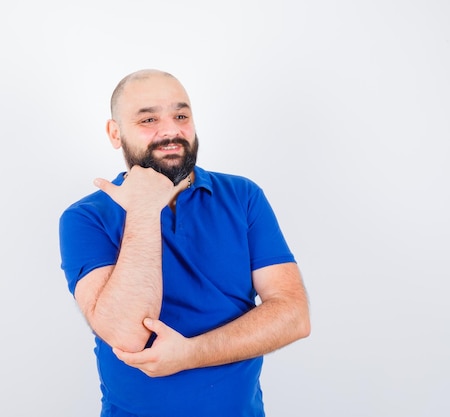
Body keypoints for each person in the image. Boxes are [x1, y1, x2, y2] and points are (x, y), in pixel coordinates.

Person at [59, 69, 310, 417]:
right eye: (148, 118)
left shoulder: (243, 196)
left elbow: (293, 315)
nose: (171, 131)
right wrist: (145, 212)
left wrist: (191, 353)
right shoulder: (86, 217)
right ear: (115, 133)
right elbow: (125, 333)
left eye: (181, 115)